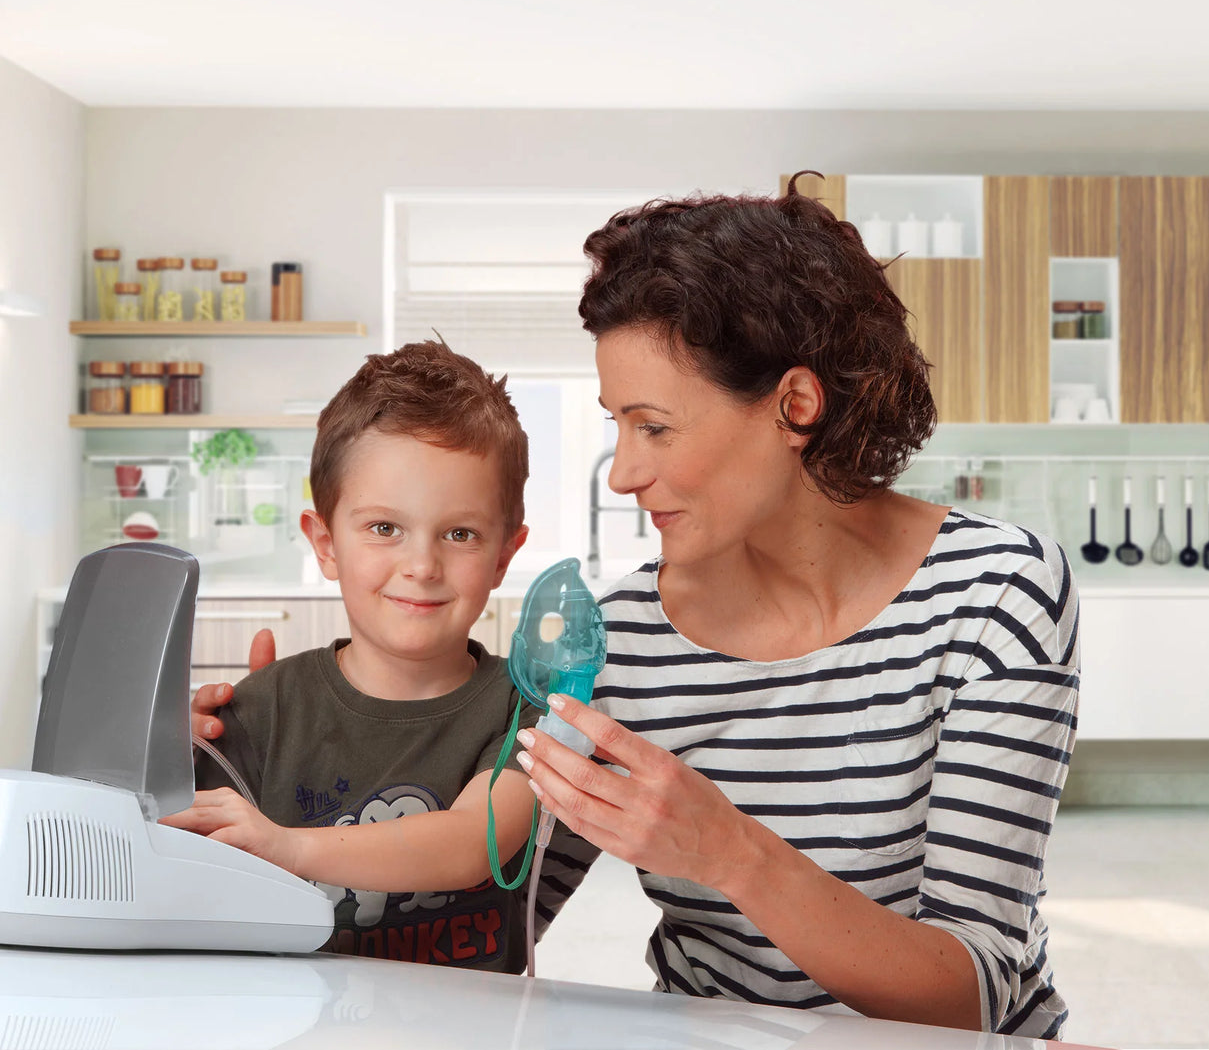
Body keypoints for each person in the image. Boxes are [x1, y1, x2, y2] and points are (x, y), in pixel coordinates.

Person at [195, 176, 1079, 1035]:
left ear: (794, 406)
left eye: (653, 425)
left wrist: (730, 851)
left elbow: (976, 995)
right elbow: (489, 913)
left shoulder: (994, 591)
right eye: (615, 423)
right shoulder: (619, 640)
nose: (622, 471)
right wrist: (297, 747)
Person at [166, 340, 541, 971]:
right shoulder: (262, 708)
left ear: (504, 554)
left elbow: (476, 839)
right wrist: (157, 747)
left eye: (460, 533)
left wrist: (284, 846)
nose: (421, 566)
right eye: (384, 528)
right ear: (325, 542)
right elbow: (142, 852)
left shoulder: (525, 712)